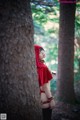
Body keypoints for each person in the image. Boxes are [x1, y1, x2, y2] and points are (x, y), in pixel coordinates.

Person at [34, 45, 55, 120]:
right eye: (41, 52)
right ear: (35, 53)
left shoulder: (33, 67)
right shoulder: (43, 67)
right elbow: (45, 87)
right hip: (45, 100)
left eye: (43, 52)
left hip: (36, 100)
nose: (44, 54)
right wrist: (51, 99)